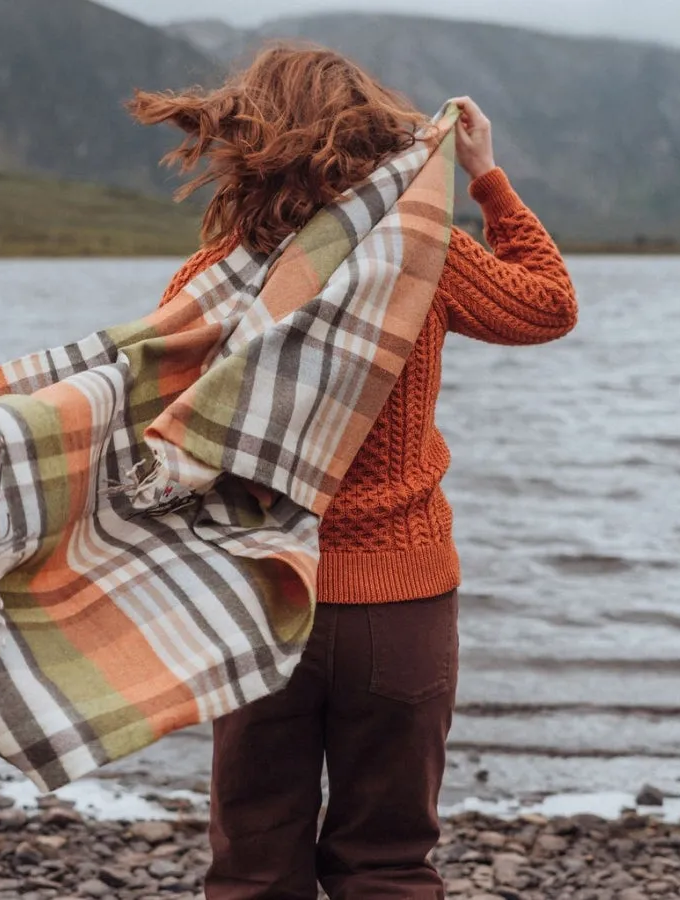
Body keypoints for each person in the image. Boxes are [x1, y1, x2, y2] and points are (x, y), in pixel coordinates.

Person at [130, 45, 578, 900]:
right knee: (389, 864)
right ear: (372, 133)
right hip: (400, 601)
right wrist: (486, 179)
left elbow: (159, 428)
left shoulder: (213, 277)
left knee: (253, 869)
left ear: (247, 144)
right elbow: (548, 305)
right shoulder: (428, 254)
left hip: (261, 599)